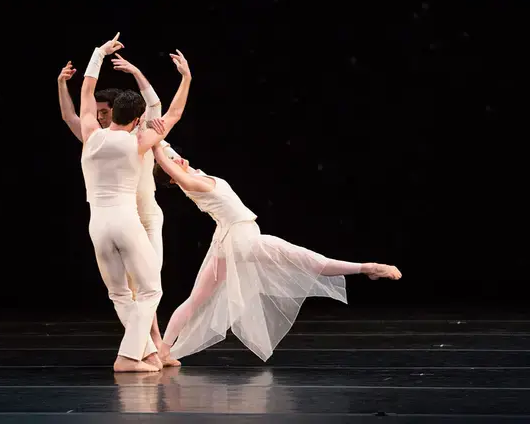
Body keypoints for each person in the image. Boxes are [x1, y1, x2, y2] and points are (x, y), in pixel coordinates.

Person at [150, 145, 402, 366]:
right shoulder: (189, 182)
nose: (179, 160)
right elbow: (167, 162)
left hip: (226, 242)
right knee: (308, 261)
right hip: (243, 240)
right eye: (173, 163)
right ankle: (369, 268)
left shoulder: (194, 173)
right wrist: (157, 151)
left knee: (196, 300)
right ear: (173, 177)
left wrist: (155, 135)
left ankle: (163, 351)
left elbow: (168, 148)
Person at [80, 33, 192, 372]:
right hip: (126, 223)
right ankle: (129, 357)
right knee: (150, 291)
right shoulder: (139, 143)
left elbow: (86, 94)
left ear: (111, 113)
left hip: (97, 226)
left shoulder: (91, 135)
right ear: (136, 120)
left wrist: (98, 54)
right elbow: (172, 114)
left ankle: (142, 352)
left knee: (119, 294)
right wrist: (186, 79)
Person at [57, 52, 170, 353]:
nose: (100, 116)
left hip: (141, 215)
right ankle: (145, 346)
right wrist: (184, 80)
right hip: (125, 217)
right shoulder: (125, 139)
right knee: (140, 289)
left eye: (104, 112)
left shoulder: (121, 136)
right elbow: (73, 116)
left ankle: (147, 345)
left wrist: (114, 62)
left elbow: (155, 107)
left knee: (139, 286)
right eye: (98, 113)